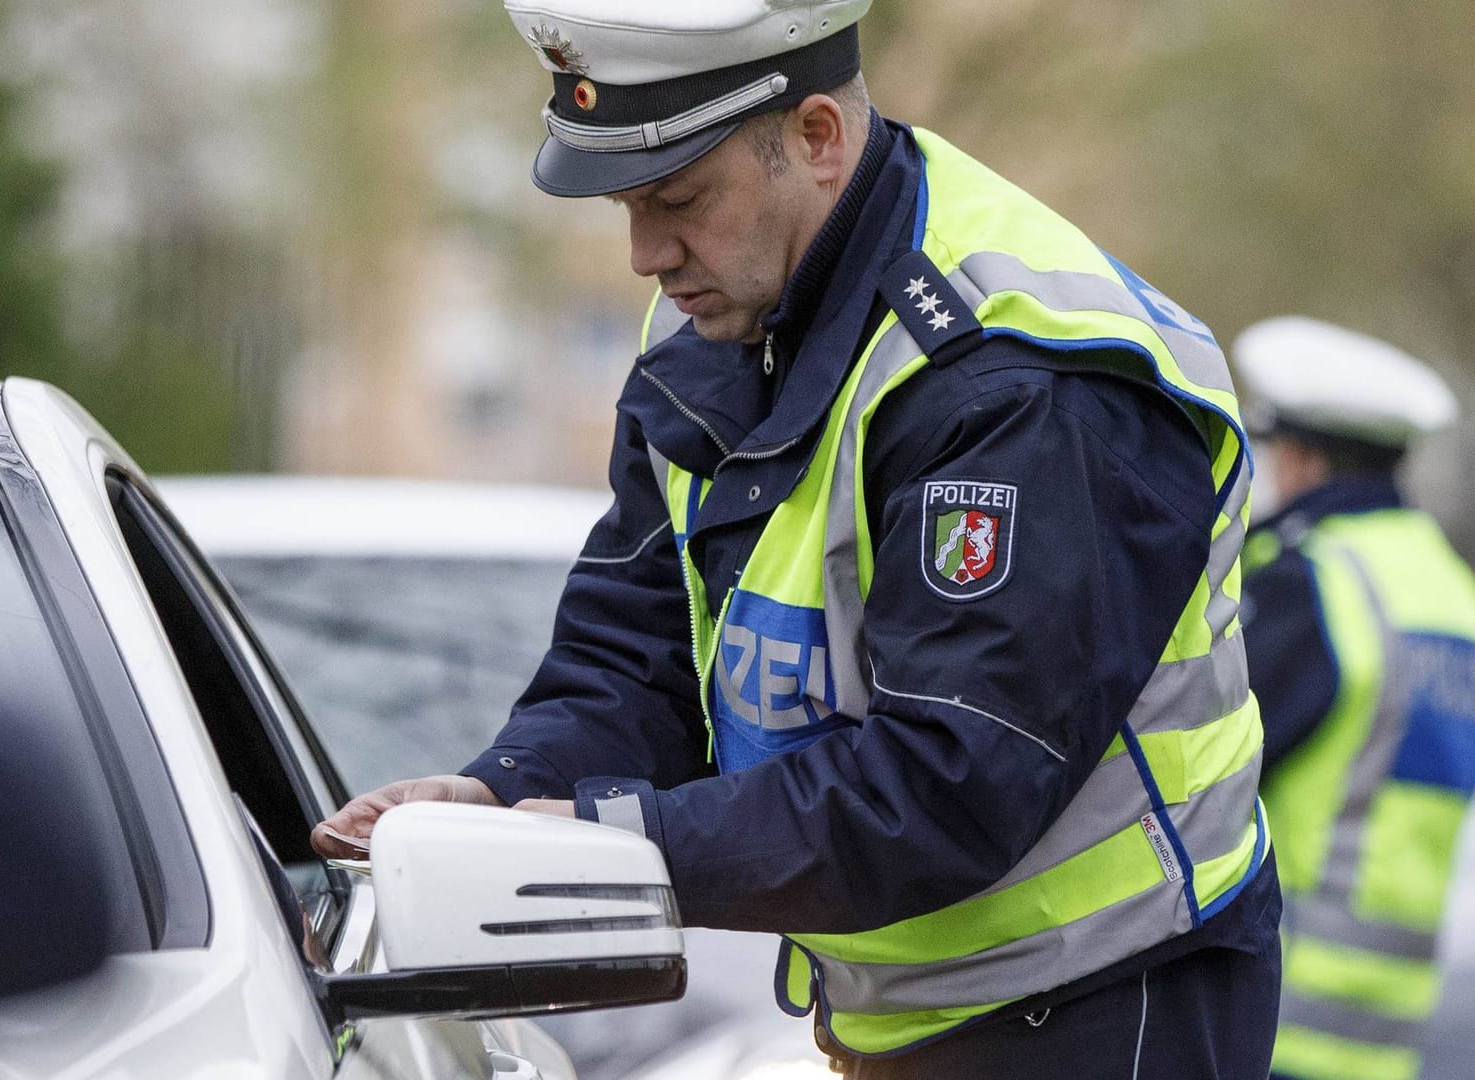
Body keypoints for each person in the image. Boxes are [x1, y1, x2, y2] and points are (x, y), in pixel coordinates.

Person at [314, 2, 1281, 1075]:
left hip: (1104, 1004)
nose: (645, 255)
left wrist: (611, 844)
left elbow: (953, 784)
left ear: (818, 138)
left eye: (678, 200)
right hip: (907, 1010)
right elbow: (635, 658)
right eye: (628, 206)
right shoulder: (719, 307)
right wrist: (497, 798)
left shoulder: (1016, 382)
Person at [1231, 317, 1474, 1080]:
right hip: (1387, 1030)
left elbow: (1207, 768)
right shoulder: (1450, 594)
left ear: (1300, 459)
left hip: (1267, 1011)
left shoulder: (1313, 583)